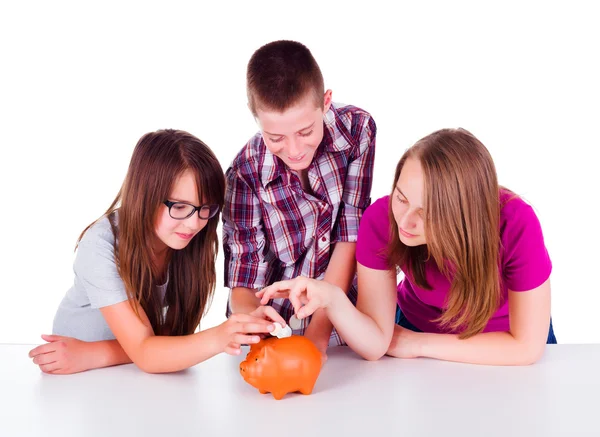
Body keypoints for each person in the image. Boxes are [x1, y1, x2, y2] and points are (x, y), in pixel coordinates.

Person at [258, 128, 555, 365]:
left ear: (465, 215)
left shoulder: (516, 222)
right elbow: (375, 345)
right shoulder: (381, 219)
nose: (406, 222)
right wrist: (333, 298)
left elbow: (526, 348)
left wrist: (417, 344)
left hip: (500, 342)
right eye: (401, 198)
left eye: (427, 214)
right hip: (416, 327)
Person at [28, 129, 275, 374]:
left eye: (205, 208)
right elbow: (147, 352)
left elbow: (167, 340)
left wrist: (97, 353)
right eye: (179, 206)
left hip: (126, 370)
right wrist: (220, 336)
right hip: (79, 374)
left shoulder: (185, 241)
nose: (194, 223)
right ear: (145, 196)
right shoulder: (100, 245)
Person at [222, 40, 376, 359]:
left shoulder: (358, 130)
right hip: (279, 332)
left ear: (326, 101)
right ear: (257, 121)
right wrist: (259, 327)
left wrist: (316, 341)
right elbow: (243, 277)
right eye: (275, 137)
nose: (294, 150)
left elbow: (351, 234)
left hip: (346, 316)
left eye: (305, 131)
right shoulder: (244, 173)